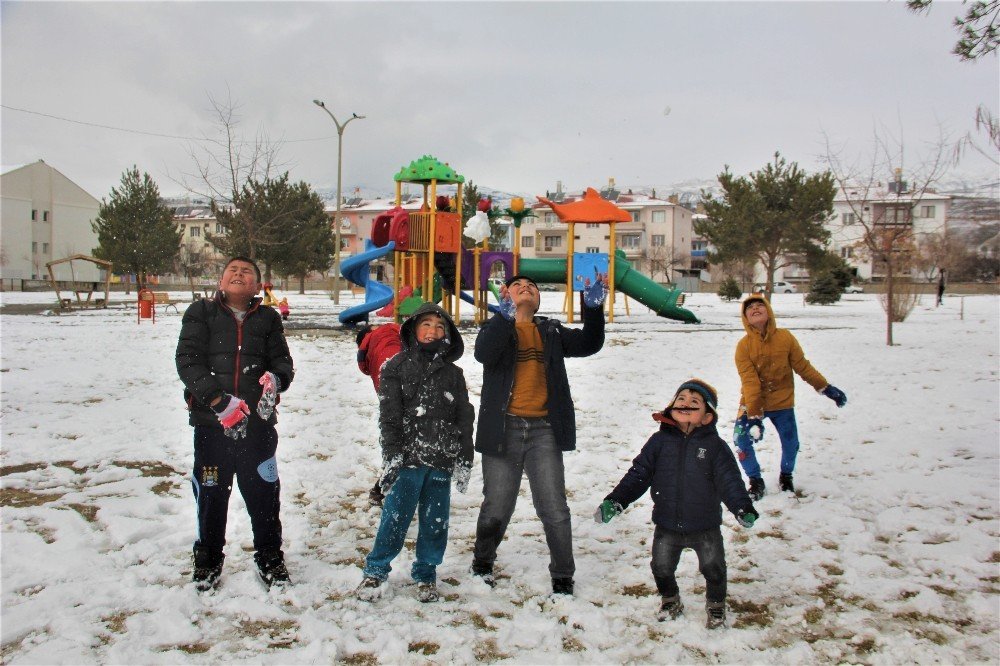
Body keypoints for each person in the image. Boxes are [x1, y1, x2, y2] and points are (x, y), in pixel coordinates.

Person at [470, 272, 607, 596]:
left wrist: (594, 308)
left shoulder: (551, 330)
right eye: (518, 286)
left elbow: (590, 343)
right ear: (507, 296)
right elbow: (484, 354)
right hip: (504, 430)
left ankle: (563, 576)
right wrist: (504, 318)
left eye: (532, 286)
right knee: (497, 507)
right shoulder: (495, 327)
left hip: (544, 431)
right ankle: (482, 563)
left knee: (554, 508)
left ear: (539, 298)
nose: (526, 288)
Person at [596, 379, 758, 629]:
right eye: (681, 399)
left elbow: (730, 481)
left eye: (695, 402)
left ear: (707, 417)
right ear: (671, 407)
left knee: (714, 569)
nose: (686, 404)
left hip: (705, 525)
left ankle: (715, 605)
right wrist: (616, 501)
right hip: (667, 523)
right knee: (661, 567)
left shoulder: (714, 447)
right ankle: (670, 600)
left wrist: (742, 507)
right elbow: (638, 475)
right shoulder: (658, 443)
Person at [175, 257, 295, 592]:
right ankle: (209, 558)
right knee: (212, 491)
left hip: (257, 425)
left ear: (258, 286)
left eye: (247, 272)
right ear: (221, 281)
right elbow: (187, 360)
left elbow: (283, 362)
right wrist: (218, 401)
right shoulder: (202, 312)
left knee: (263, 491)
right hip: (212, 426)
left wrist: (277, 379)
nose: (239, 274)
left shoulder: (268, 318)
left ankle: (270, 555)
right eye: (233, 270)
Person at [356, 303, 474, 603]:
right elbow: (390, 416)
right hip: (408, 459)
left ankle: (426, 572)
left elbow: (464, 416)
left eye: (439, 326)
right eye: (426, 324)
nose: (432, 330)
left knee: (436, 522)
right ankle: (376, 569)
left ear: (447, 335)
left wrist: (464, 456)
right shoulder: (395, 367)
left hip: (441, 458)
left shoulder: (454, 374)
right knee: (395, 517)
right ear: (413, 330)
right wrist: (392, 455)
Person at [734, 295, 846, 500]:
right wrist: (754, 416)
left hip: (782, 402)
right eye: (750, 308)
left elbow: (803, 366)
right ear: (745, 317)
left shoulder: (785, 338)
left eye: (760, 305)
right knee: (741, 441)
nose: (756, 308)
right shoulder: (743, 346)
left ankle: (786, 476)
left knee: (791, 442)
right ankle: (755, 480)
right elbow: (750, 382)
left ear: (769, 312)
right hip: (751, 403)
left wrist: (825, 387)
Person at [355, 322, 404, 506]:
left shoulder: (366, 349)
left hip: (387, 389)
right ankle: (383, 486)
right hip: (408, 373)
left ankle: (382, 487)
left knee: (394, 439)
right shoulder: (391, 328)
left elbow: (365, 368)